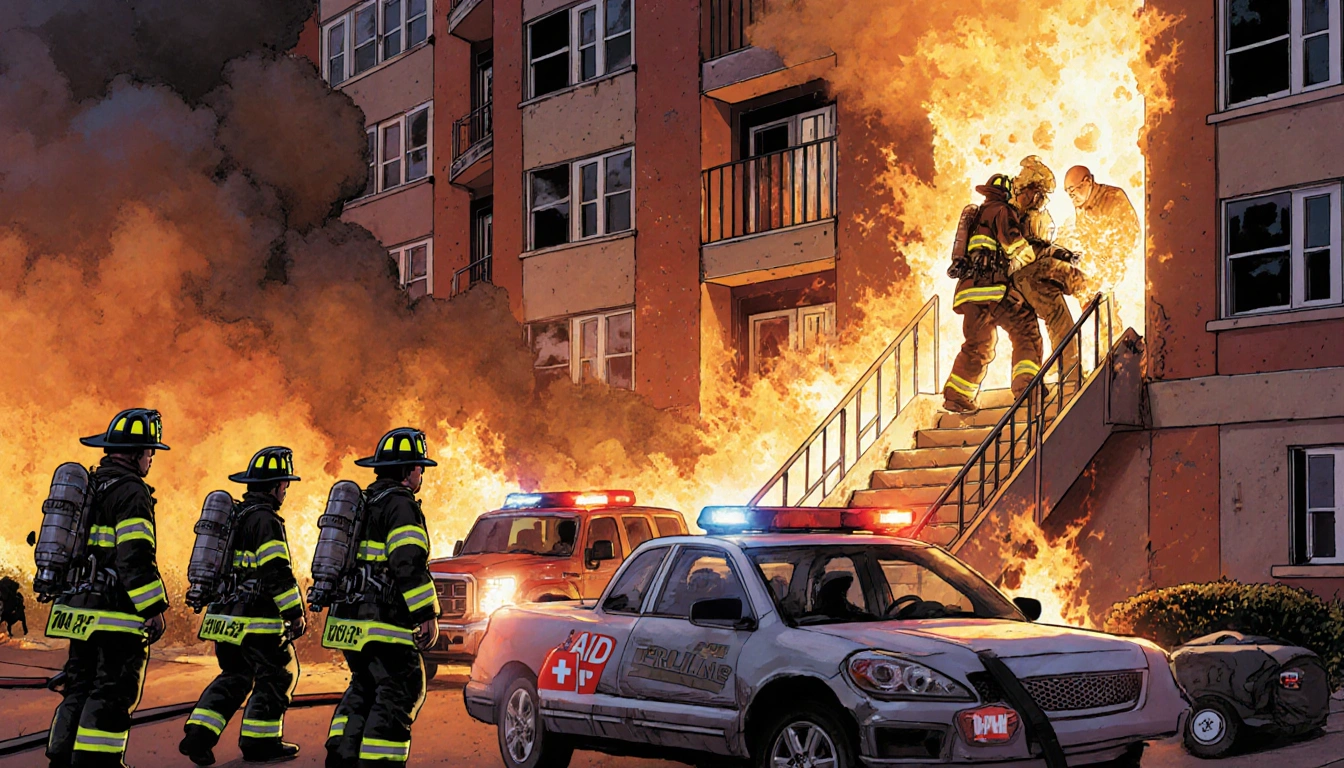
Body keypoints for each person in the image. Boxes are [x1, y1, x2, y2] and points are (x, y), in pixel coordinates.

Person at [46, 408, 170, 768]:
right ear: (135, 453)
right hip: (113, 612)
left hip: (77, 607)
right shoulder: (131, 492)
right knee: (114, 690)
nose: (151, 459)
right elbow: (135, 556)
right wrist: (153, 609)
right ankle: (97, 763)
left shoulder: (92, 485)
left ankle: (61, 758)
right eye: (149, 451)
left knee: (79, 684)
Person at [180, 447, 307, 766]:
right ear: (276, 486)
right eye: (284, 485)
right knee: (278, 675)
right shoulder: (266, 520)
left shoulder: (235, 516)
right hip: (257, 621)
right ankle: (260, 743)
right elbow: (276, 570)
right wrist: (294, 612)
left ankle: (199, 734)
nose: (285, 492)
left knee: (235, 675)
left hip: (223, 618)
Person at [325, 428, 440, 768]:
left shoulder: (363, 502)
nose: (422, 474)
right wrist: (426, 614)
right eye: (419, 468)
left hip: (349, 618)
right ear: (407, 471)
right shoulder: (401, 506)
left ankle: (341, 755)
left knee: (365, 685)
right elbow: (408, 563)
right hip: (382, 621)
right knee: (401, 688)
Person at [943, 174, 1044, 414]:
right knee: (1025, 330)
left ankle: (958, 396)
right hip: (994, 289)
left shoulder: (974, 217)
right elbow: (1015, 246)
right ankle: (1026, 388)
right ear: (1007, 194)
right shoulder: (1002, 211)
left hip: (969, 293)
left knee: (978, 344)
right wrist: (1035, 258)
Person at [1011, 156, 1087, 379]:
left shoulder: (1033, 214)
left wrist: (1065, 254)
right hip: (1027, 275)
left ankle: (1067, 367)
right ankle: (1069, 369)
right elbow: (1032, 250)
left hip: (1034, 274)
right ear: (1027, 189)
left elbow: (1041, 246)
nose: (1042, 199)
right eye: (1039, 193)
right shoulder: (1009, 214)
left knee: (1060, 318)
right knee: (1069, 286)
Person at [1062, 165, 1140, 288]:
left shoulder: (1114, 199)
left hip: (1118, 272)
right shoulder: (1081, 204)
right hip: (1094, 271)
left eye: (1072, 190)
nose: (1071, 197)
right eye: (1068, 193)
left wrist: (1107, 272)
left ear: (1087, 182)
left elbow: (1128, 242)